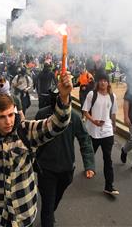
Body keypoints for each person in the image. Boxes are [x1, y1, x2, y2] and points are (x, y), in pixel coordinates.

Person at [0, 72, 73, 227]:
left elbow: (57, 124)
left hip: (23, 215)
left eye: (10, 115)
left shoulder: (26, 131)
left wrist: (64, 98)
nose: (8, 121)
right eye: (2, 117)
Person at [35, 89, 95, 227]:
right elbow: (33, 139)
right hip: (46, 169)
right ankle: (48, 218)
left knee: (55, 199)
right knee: (48, 204)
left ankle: (50, 213)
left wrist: (89, 164)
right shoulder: (42, 114)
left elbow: (84, 139)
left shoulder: (74, 117)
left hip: (66, 169)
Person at [83, 73, 119, 195]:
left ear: (108, 83)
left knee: (108, 159)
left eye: (105, 80)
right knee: (90, 154)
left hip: (107, 132)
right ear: (98, 82)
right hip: (93, 132)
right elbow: (85, 111)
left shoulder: (112, 96)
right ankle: (88, 167)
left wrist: (114, 125)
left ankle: (109, 186)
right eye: (101, 80)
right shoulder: (92, 95)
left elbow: (113, 113)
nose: (103, 83)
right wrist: (93, 120)